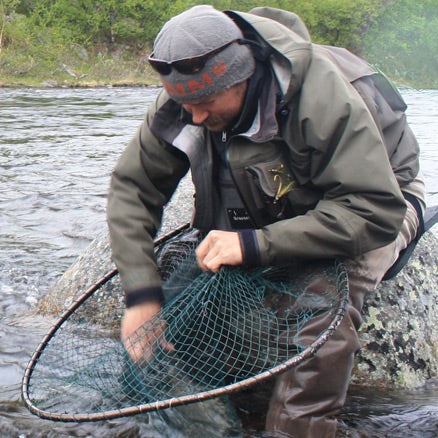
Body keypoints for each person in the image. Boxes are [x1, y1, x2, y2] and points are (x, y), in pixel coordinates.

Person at [107, 5, 425, 437]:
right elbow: (133, 189)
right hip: (269, 202)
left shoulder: (321, 98)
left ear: (243, 77)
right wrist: (141, 294)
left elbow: (373, 209)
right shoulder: (188, 93)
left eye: (204, 105)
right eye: (185, 105)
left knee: (321, 298)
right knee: (173, 295)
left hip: (374, 198)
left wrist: (255, 245)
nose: (194, 118)